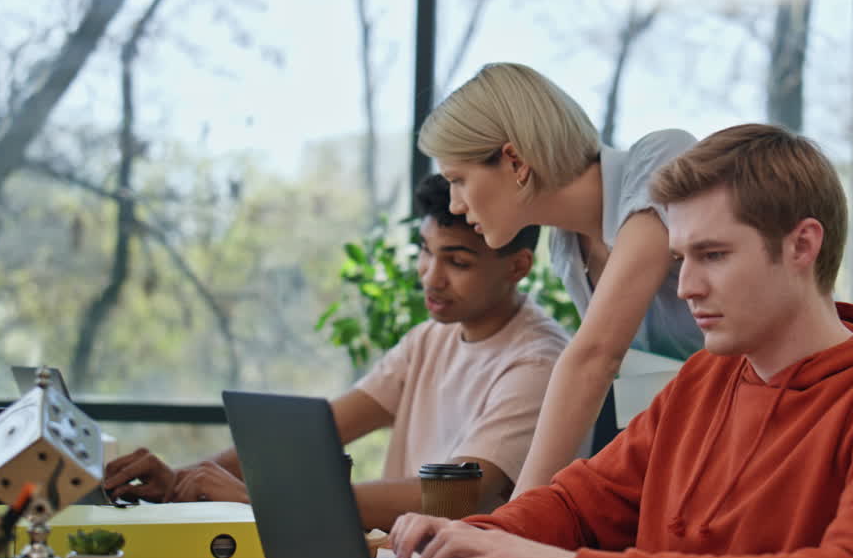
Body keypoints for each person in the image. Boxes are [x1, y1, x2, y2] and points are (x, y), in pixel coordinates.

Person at [389, 124, 853, 558]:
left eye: (713, 255)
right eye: (681, 258)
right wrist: (474, 538)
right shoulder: (703, 378)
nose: (687, 287)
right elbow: (578, 504)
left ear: (802, 246)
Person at [103, 174, 571, 531]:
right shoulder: (430, 338)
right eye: (426, 252)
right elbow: (320, 431)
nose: (430, 276)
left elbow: (459, 496)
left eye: (458, 261)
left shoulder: (537, 362)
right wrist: (182, 480)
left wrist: (266, 501)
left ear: (518, 266)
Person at [418, 62, 704, 495]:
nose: (455, 205)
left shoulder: (662, 158)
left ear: (514, 160)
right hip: (697, 447)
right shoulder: (567, 250)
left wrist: (516, 520)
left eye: (458, 180)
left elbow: (597, 356)